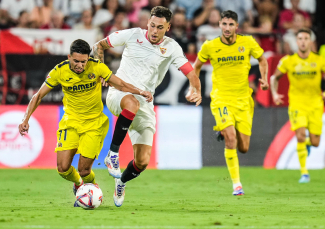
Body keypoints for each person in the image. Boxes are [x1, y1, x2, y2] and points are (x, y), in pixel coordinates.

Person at [18, 39, 153, 206]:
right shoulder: (59, 71)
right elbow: (38, 95)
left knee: (83, 169)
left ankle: (92, 187)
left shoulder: (97, 67)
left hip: (94, 124)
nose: (80, 65)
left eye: (83, 61)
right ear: (69, 57)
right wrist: (25, 119)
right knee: (62, 168)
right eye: (76, 61)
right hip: (70, 122)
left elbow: (121, 84)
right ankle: (79, 184)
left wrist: (140, 91)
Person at [93, 6, 202, 207]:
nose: (154, 31)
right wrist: (102, 70)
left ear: (168, 27)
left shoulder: (172, 47)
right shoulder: (133, 34)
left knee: (142, 162)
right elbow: (99, 45)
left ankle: (121, 181)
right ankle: (112, 154)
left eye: (159, 27)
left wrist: (197, 89)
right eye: (152, 25)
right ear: (147, 23)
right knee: (131, 102)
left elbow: (191, 73)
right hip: (119, 94)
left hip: (145, 104)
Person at [193, 10, 269, 196]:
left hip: (243, 100)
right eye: (224, 24)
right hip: (221, 99)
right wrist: (194, 89)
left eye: (230, 24)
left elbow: (262, 59)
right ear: (219, 25)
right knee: (231, 138)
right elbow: (196, 66)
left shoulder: (248, 42)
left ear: (237, 26)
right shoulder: (210, 46)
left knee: (243, 147)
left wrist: (265, 79)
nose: (227, 28)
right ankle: (237, 185)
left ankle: (224, 130)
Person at [270, 29, 325, 183]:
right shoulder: (289, 61)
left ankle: (308, 144)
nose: (302, 41)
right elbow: (274, 77)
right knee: (300, 136)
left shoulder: (319, 60)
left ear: (310, 41)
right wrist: (274, 94)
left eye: (306, 38)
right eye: (300, 38)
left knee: (315, 142)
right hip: (297, 104)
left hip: (315, 104)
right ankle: (304, 173)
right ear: (296, 41)